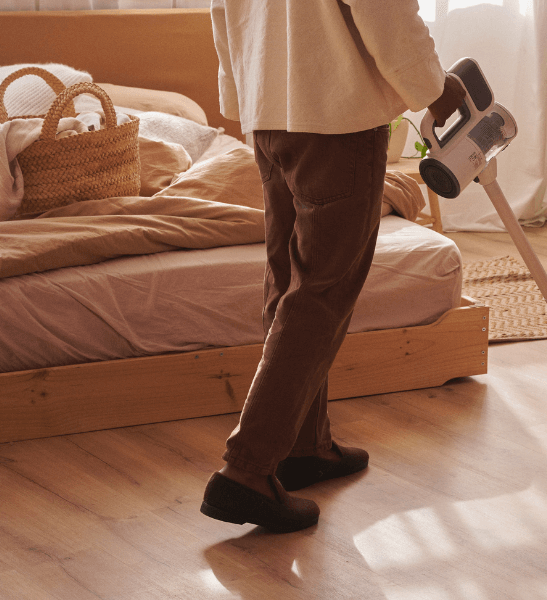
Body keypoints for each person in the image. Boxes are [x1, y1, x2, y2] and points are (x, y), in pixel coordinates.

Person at [200, 0, 466, 533]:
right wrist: (437, 90)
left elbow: (222, 12)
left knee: (290, 284)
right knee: (320, 293)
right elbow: (384, 11)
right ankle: (246, 471)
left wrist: (244, 96)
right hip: (335, 118)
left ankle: (304, 447)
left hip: (271, 114)